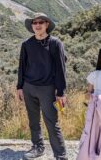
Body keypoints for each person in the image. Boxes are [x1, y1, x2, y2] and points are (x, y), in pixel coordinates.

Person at [17, 12, 68, 160]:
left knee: (52, 122)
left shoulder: (55, 43)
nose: (38, 25)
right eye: (35, 23)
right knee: (33, 120)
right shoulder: (26, 44)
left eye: (41, 22)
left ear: (47, 25)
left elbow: (61, 69)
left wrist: (61, 92)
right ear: (32, 26)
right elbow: (22, 66)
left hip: (48, 89)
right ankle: (37, 147)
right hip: (28, 87)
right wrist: (19, 87)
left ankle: (60, 155)